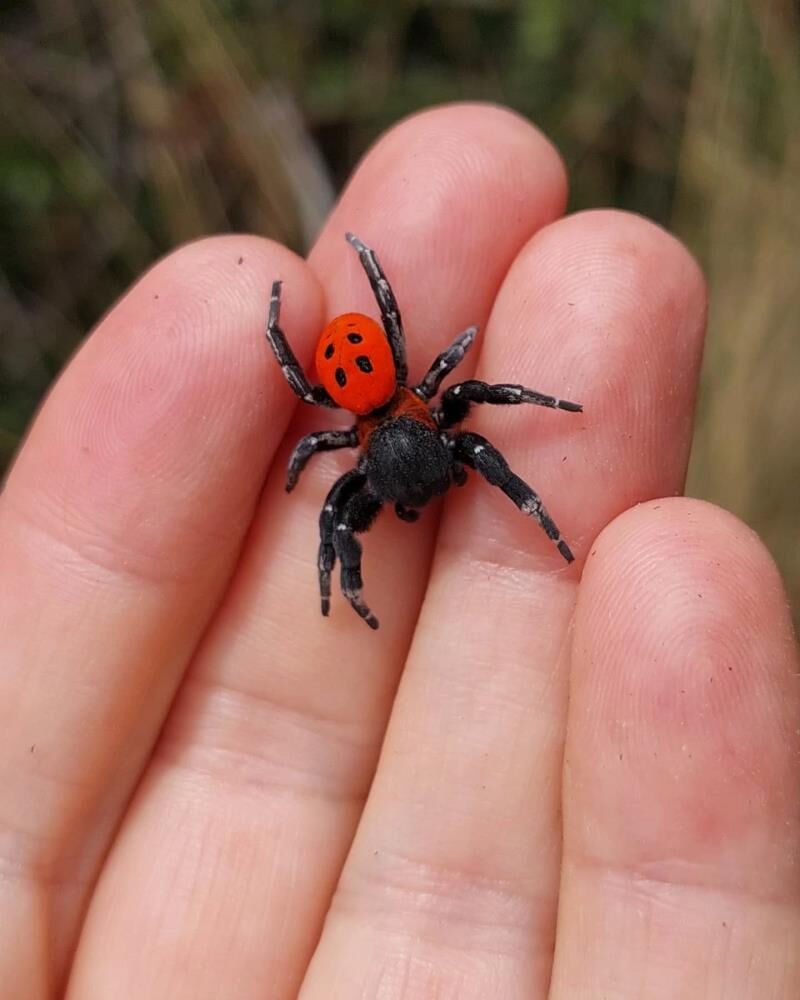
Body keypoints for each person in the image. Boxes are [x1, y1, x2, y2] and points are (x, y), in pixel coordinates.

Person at [2, 104, 797, 999]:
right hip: (382, 393)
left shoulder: (421, 411)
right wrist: (335, 569)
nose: (407, 495)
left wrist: (542, 430)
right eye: (398, 488)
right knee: (332, 514)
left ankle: (530, 515)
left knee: (413, 470)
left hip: (386, 393)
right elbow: (329, 486)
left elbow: (460, 398)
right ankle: (416, 553)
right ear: (374, 461)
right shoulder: (361, 450)